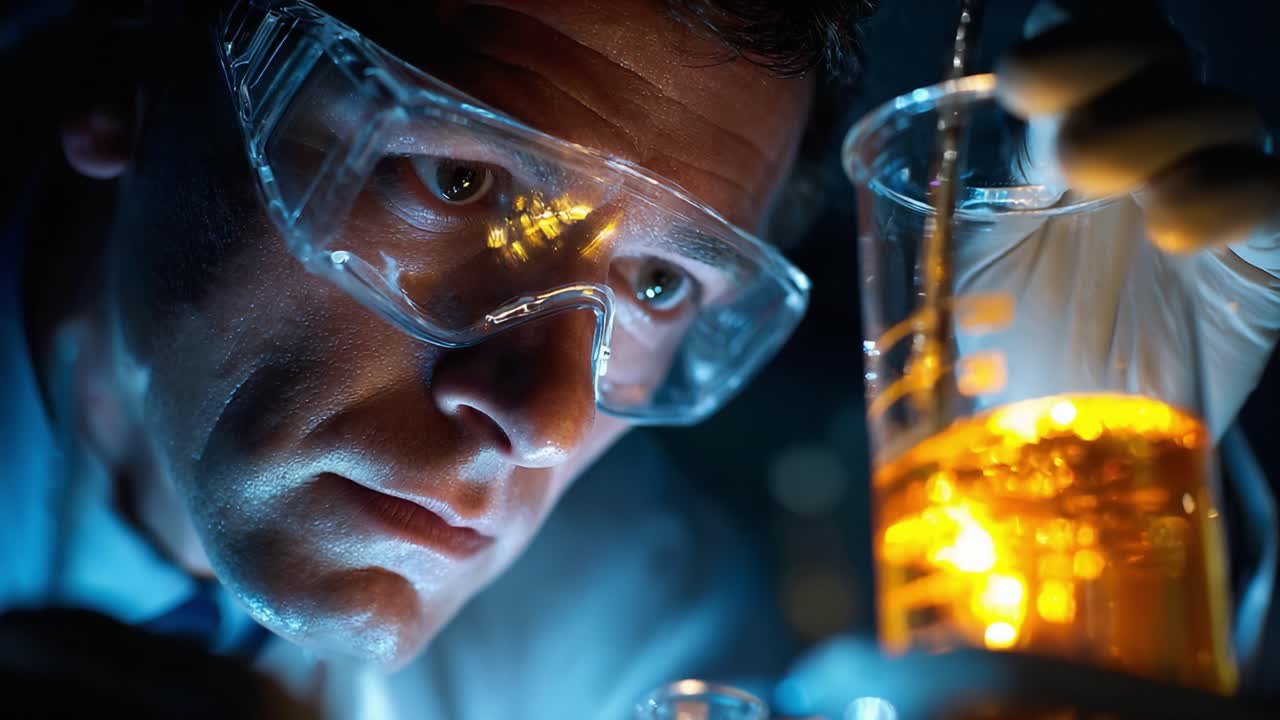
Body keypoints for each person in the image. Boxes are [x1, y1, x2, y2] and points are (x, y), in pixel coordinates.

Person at [1, 0, 1275, 716]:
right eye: (457, 179)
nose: (541, 414)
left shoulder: (629, 612)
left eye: (660, 283)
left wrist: (1074, 544)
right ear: (132, 71)